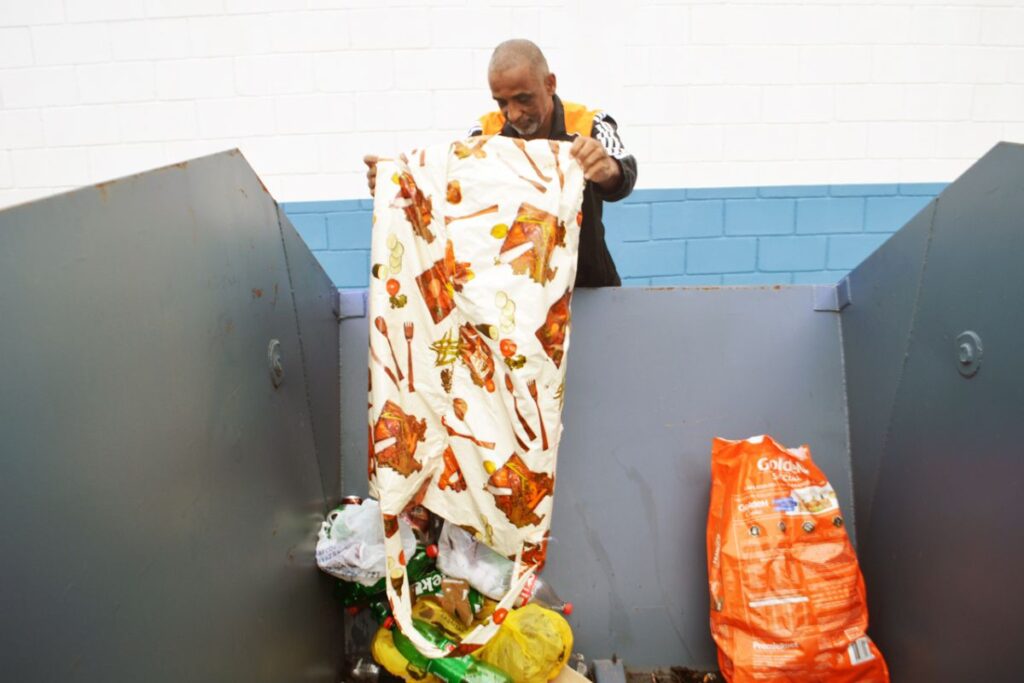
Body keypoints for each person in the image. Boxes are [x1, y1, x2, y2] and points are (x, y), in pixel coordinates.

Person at [364, 39, 636, 287]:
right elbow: (449, 187)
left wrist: (606, 169)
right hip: (514, 296)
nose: (514, 114)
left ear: (550, 84)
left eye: (523, 99)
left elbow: (623, 173)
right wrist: (395, 184)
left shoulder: (589, 123)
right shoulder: (484, 133)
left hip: (589, 285)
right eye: (502, 102)